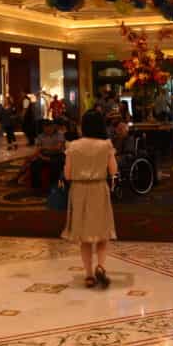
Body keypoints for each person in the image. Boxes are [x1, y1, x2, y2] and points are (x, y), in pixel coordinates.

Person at [62, 110, 118, 289]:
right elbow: (113, 170)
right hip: (99, 188)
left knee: (84, 236)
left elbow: (68, 174)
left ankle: (88, 275)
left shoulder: (73, 146)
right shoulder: (106, 145)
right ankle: (100, 266)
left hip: (79, 190)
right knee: (102, 233)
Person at [31, 119, 66, 189]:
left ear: (53, 127)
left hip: (57, 155)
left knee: (55, 165)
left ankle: (54, 186)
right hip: (43, 156)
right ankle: (37, 187)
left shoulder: (59, 134)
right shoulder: (40, 136)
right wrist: (43, 157)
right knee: (35, 165)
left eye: (50, 127)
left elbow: (58, 148)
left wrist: (43, 148)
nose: (48, 129)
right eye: (46, 127)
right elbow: (37, 150)